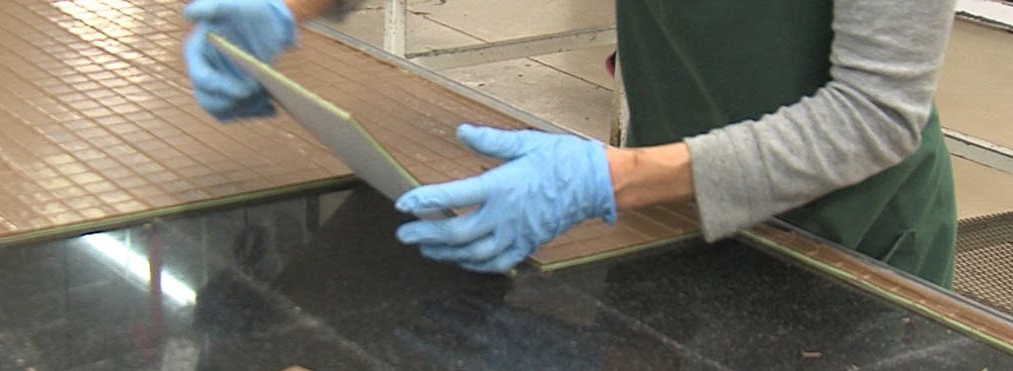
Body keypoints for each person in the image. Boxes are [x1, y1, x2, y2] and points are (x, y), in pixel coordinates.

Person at [183, 0, 959, 286]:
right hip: (679, 207)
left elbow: (873, 112)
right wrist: (290, 7)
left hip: (849, 244)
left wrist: (606, 180)